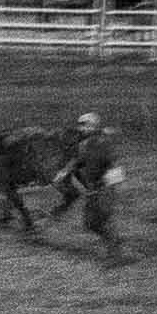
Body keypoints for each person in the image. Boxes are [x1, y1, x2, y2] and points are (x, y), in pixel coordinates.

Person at [51, 111, 126, 262]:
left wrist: (113, 185)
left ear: (92, 126)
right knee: (89, 223)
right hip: (93, 189)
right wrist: (64, 172)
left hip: (104, 188)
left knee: (102, 219)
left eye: (84, 126)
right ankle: (114, 242)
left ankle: (115, 254)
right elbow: (79, 160)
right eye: (81, 126)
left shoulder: (104, 143)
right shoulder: (84, 144)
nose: (80, 129)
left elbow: (114, 163)